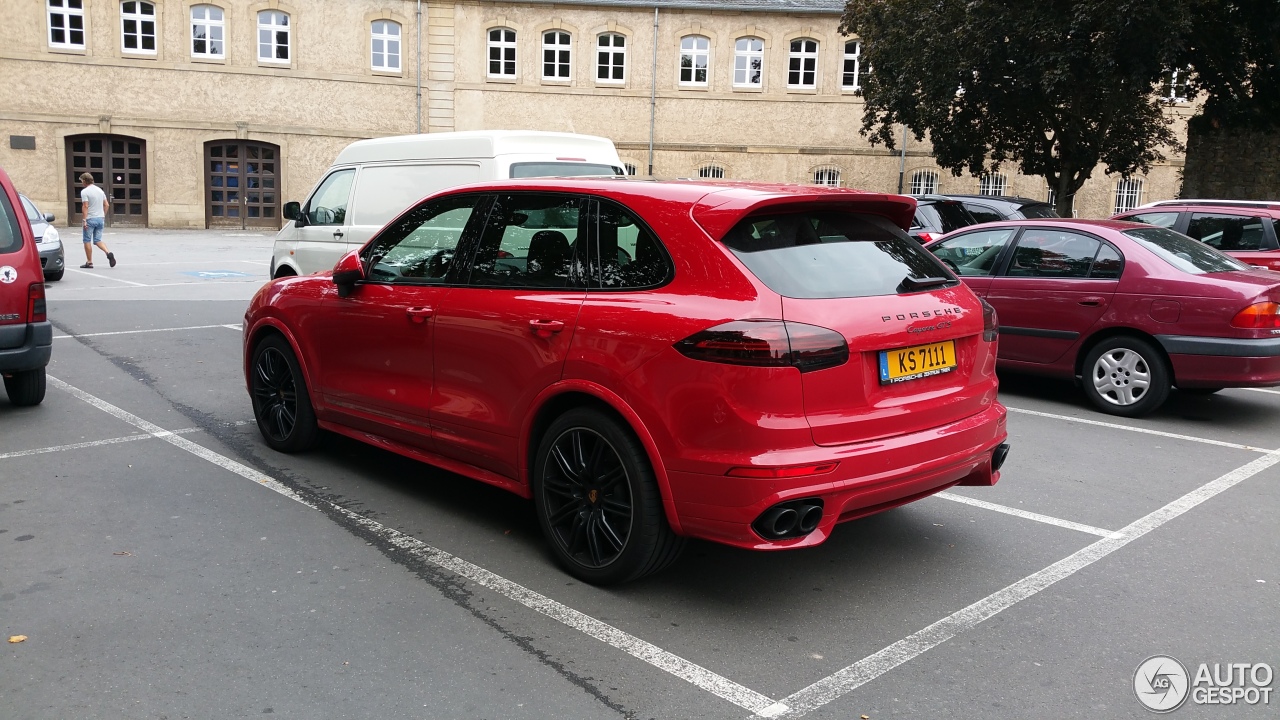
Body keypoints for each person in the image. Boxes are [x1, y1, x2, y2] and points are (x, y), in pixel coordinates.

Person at [78, 172, 116, 269]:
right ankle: (108, 253)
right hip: (100, 219)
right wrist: (103, 215)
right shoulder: (100, 190)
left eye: (82, 181)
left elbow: (85, 206)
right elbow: (107, 205)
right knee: (97, 240)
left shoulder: (84, 192)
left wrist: (84, 220)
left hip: (90, 219)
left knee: (87, 240)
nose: (82, 183)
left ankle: (89, 262)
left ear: (85, 181)